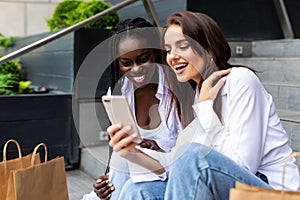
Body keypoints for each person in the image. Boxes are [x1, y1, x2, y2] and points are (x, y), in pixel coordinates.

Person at [107, 11, 300, 200]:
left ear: (207, 47)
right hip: (223, 188)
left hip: (268, 190)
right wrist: (133, 154)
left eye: (182, 46)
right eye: (168, 50)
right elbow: (174, 161)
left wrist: (206, 108)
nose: (172, 56)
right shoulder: (197, 95)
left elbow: (242, 166)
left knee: (191, 157)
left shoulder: (240, 81)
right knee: (137, 190)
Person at [81, 18, 185, 200]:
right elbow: (121, 153)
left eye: (143, 59)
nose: (136, 69)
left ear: (156, 53)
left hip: (170, 177)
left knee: (133, 187)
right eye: (126, 63)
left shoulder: (178, 87)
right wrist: (107, 182)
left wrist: (159, 149)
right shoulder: (119, 92)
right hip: (133, 175)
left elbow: (190, 154)